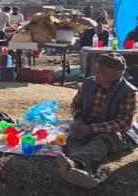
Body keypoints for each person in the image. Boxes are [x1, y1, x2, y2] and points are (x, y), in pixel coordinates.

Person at [56, 53, 137, 188]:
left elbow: (124, 123)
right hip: (87, 126)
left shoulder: (128, 91)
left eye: (101, 71)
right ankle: (81, 172)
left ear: (114, 75)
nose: (96, 73)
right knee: (74, 134)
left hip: (116, 132)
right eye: (97, 69)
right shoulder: (89, 83)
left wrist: (90, 129)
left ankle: (76, 163)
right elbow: (76, 104)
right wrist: (79, 119)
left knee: (103, 139)